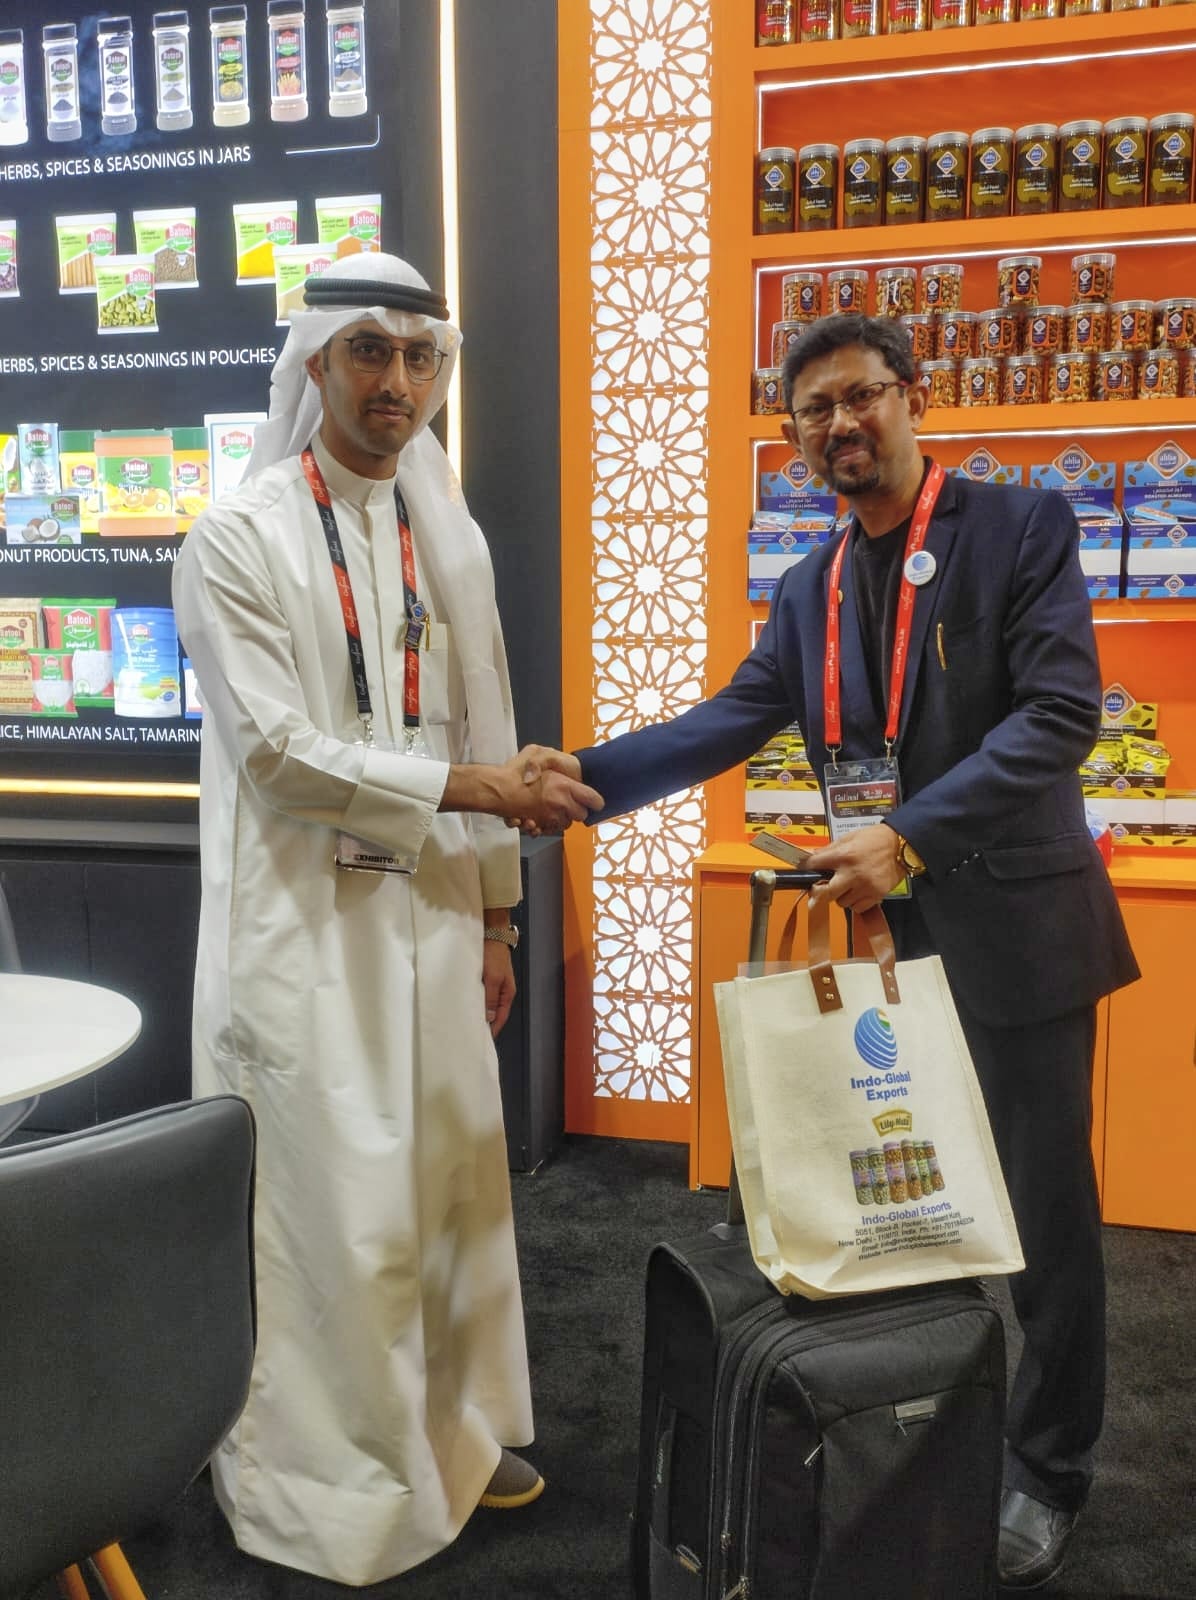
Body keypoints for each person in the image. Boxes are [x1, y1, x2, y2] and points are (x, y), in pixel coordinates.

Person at [561, 313, 1139, 1591]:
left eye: (859, 395)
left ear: (911, 396)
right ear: (793, 438)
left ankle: (1049, 1466)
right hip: (884, 943)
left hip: (1015, 930)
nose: (839, 423)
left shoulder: (1018, 527)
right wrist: (579, 780)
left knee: (1042, 1215)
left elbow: (1057, 716)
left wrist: (907, 836)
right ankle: (925, 1421)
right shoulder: (807, 585)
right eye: (812, 409)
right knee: (903, 1199)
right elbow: (729, 717)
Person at [172, 252, 601, 1586]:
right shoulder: (235, 539)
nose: (397, 384)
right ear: (315, 363)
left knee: (449, 1189)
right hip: (303, 937)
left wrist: (500, 918)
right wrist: (480, 793)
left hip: (434, 920)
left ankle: (450, 1430)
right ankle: (324, 1480)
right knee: (331, 1204)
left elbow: (485, 713)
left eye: (420, 358)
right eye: (369, 352)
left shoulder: (441, 531)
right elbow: (279, 759)